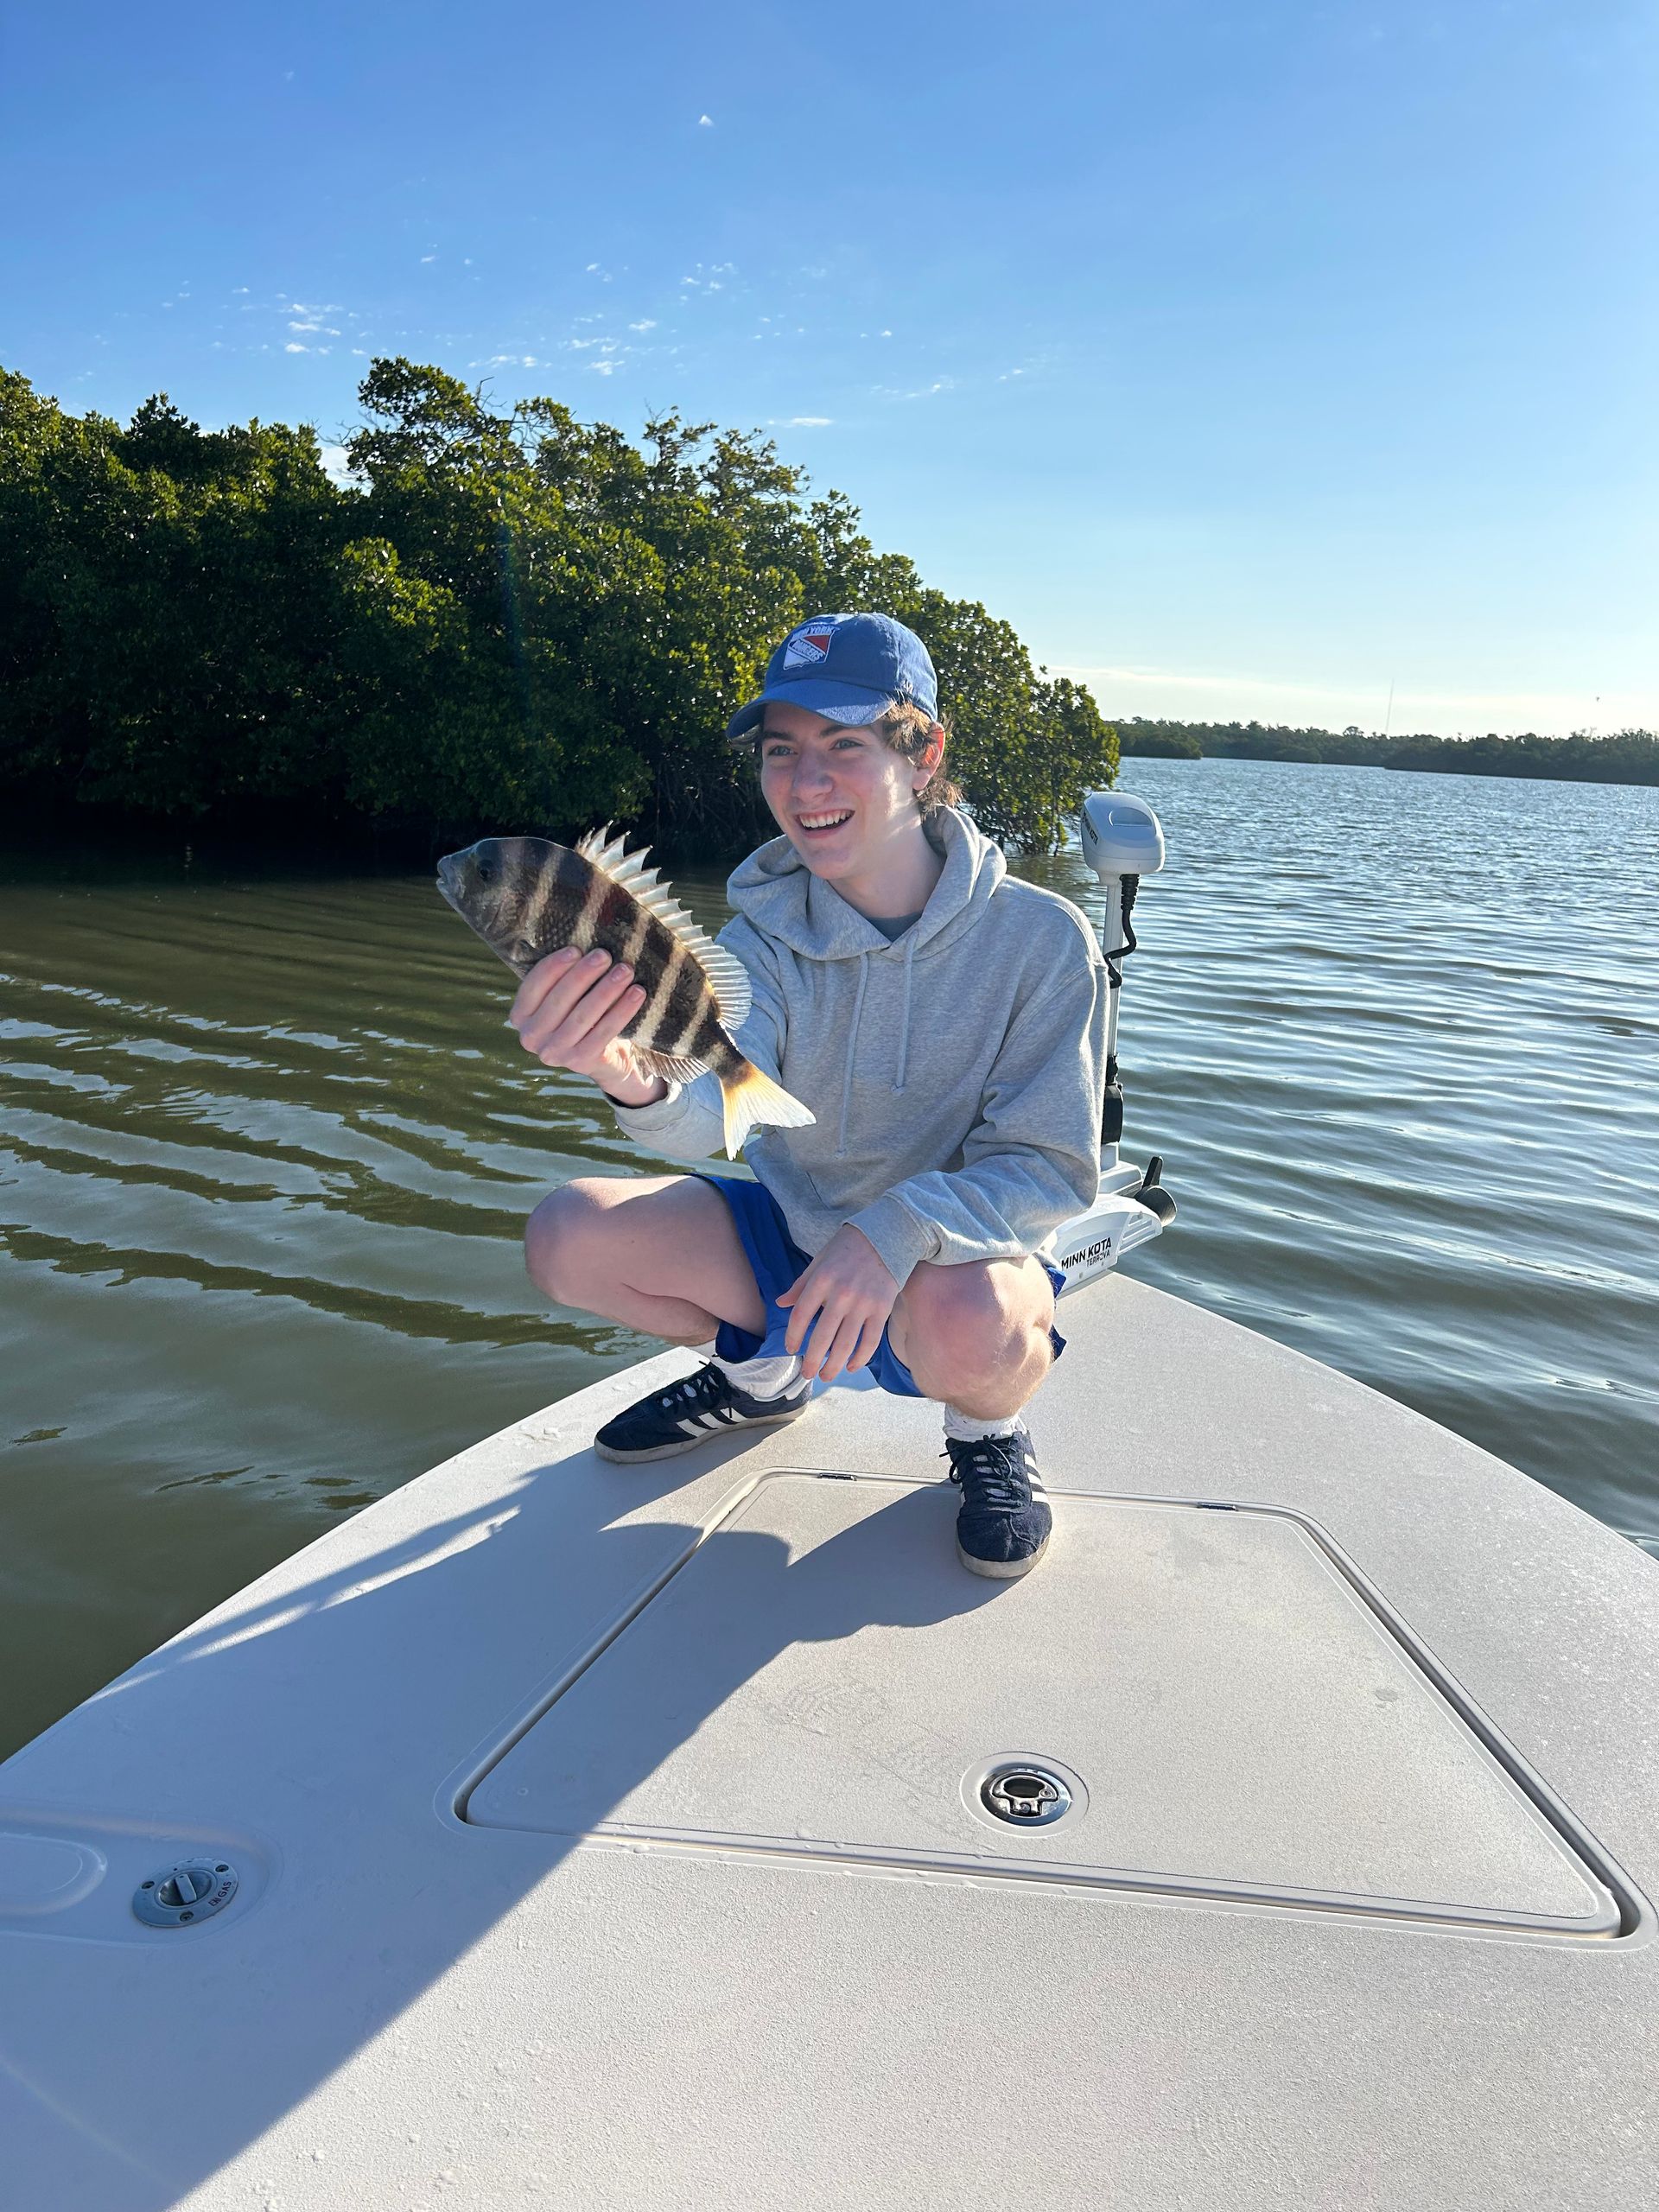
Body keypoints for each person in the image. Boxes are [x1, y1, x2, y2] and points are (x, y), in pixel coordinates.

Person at [514, 613, 1108, 1577]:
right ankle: (761, 1376)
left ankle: (983, 1436)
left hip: (950, 1265)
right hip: (794, 1242)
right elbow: (716, 1111)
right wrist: (620, 1070)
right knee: (566, 1236)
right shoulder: (756, 944)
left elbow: (1050, 1168)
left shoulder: (1041, 940)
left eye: (846, 745)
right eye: (782, 751)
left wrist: (895, 1230)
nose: (805, 782)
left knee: (984, 1333)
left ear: (924, 756)